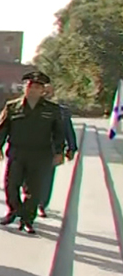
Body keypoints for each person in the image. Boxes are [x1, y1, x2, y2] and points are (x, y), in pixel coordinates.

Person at [0, 72, 65, 234]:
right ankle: (14, 210)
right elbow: (3, 128)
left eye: (37, 87)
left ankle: (28, 219)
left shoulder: (52, 109)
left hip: (41, 154)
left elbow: (59, 132)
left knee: (35, 188)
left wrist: (60, 152)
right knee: (11, 184)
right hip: (17, 152)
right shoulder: (13, 106)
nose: (33, 90)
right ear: (25, 88)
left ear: (42, 91)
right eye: (30, 86)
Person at [36, 84, 77, 218]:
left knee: (47, 179)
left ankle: (42, 204)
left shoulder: (61, 111)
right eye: (44, 91)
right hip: (32, 150)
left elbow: (68, 130)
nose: (46, 94)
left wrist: (71, 148)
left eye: (49, 92)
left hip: (51, 151)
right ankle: (30, 200)